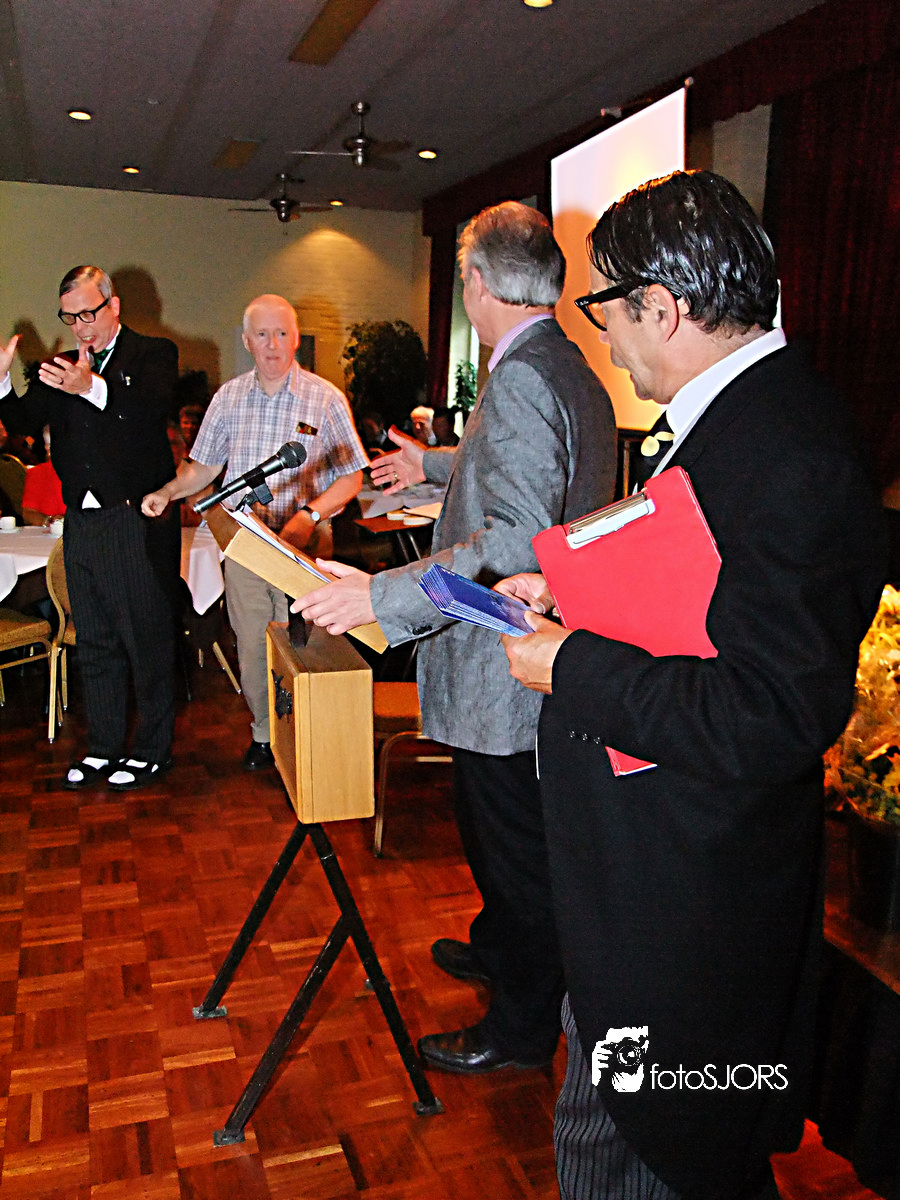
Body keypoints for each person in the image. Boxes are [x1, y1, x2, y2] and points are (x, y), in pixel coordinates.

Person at [497, 171, 887, 1199]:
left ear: (661, 309)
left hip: (691, 928)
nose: (604, 339)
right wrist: (576, 596)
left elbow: (772, 713)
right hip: (654, 902)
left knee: (647, 1161)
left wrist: (570, 664)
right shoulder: (750, 416)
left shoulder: (788, 447)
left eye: (604, 309)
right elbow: (704, 603)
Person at [295, 202, 617, 1074]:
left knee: (512, 850)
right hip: (537, 656)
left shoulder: (518, 380)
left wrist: (379, 594)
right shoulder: (562, 364)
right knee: (500, 836)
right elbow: (515, 462)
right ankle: (500, 948)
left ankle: (520, 1028)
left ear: (475, 283)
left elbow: (513, 540)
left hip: (504, 665)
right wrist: (431, 464)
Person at [142, 294, 368, 771]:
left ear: (296, 339)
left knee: (307, 644)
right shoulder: (228, 398)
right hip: (246, 544)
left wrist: (310, 514)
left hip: (308, 547)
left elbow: (352, 476)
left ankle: (310, 735)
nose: (272, 344)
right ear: (246, 342)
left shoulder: (325, 398)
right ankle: (266, 733)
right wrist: (167, 491)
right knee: (251, 645)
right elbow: (203, 467)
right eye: (262, 335)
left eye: (282, 333)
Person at [0, 265, 180, 791]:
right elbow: (26, 422)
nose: (80, 327)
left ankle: (152, 751)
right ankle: (103, 748)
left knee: (146, 640)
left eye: (88, 314)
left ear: (113, 305)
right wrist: (3, 383)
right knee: (95, 639)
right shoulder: (61, 366)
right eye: (70, 317)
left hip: (134, 517)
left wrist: (93, 387)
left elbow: (148, 411)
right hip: (80, 519)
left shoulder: (153, 354)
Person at [21, 426, 65, 525]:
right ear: (47, 448)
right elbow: (28, 514)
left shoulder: (91, 474)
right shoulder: (37, 473)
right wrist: (50, 521)